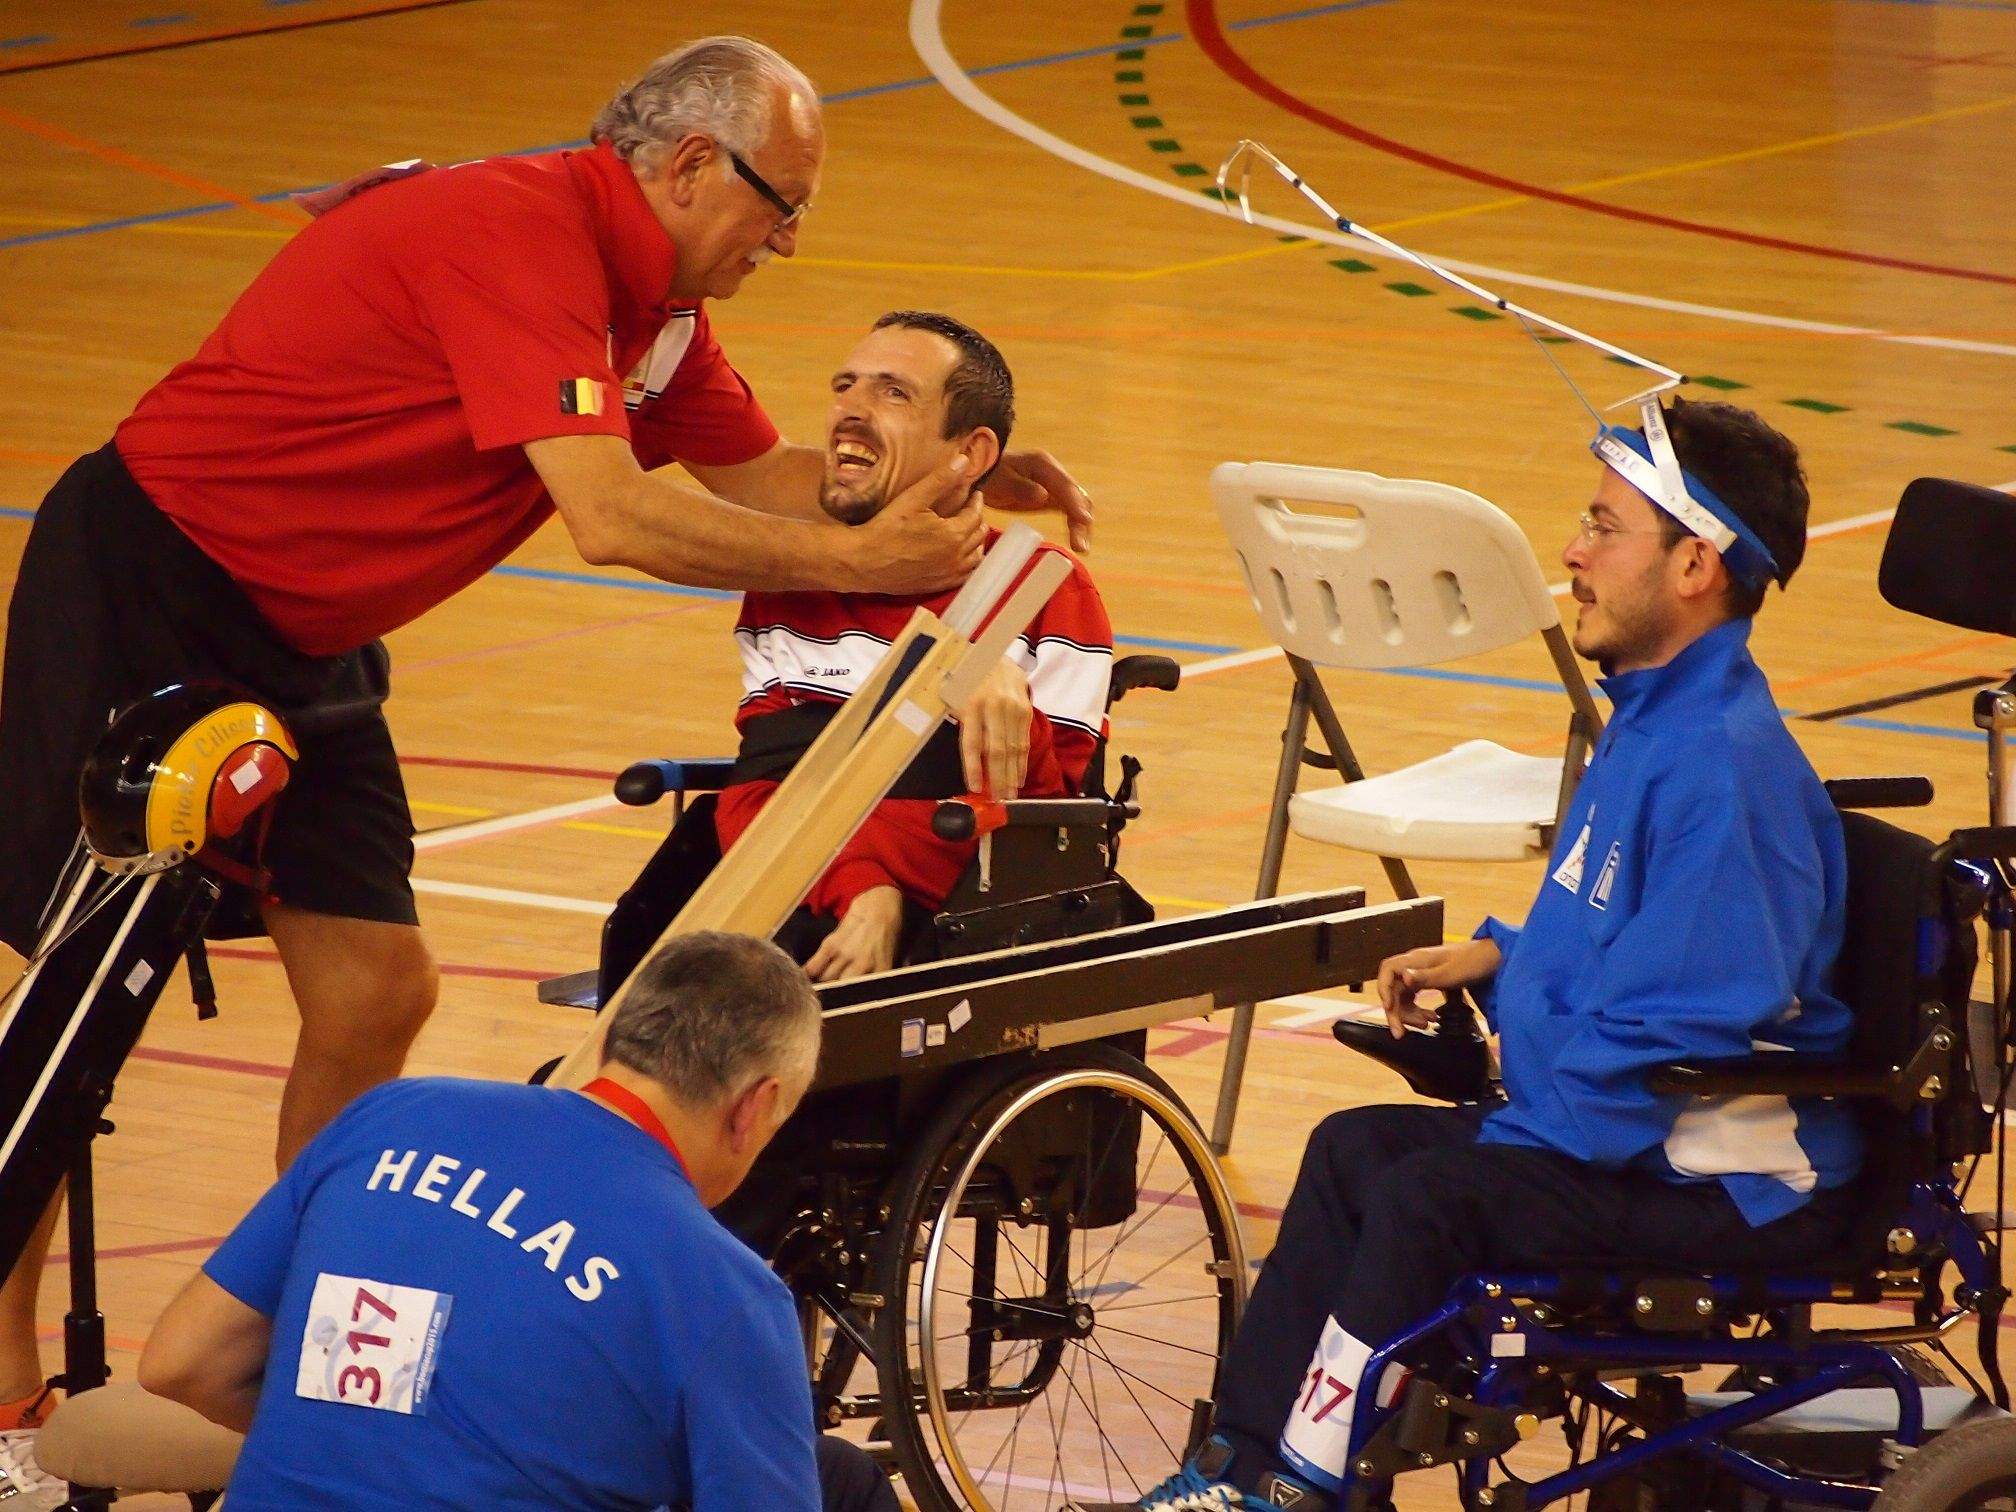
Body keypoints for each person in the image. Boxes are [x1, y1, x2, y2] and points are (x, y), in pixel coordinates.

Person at [0, 34, 1091, 1481]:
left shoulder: (661, 320)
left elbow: (773, 488)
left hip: (310, 635)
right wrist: (881, 546)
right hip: (156, 577)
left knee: (379, 986)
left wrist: (960, 518)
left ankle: (321, 1333)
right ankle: (4, 1399)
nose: (788, 238)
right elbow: (620, 521)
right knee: (73, 1002)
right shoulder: (520, 236)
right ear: (693, 167)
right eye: (783, 205)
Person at [1075, 399, 1863, 1512]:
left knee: (1433, 1196)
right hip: (1633, 1133)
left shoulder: (1724, 772)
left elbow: (1674, 1029)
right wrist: (1502, 963)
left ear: (1696, 564)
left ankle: (1309, 1483)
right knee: (1357, 1154)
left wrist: (1509, 1121)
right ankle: (1241, 1467)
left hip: (1717, 1179)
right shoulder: (1654, 722)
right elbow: (1629, 947)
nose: (1572, 552)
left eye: (1604, 527)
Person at [133, 930, 890, 1511]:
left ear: (616, 1037)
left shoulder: (395, 1114)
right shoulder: (724, 1290)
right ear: (756, 1105)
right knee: (843, 1483)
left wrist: (383, 1434)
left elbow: (180, 1363)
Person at [715, 310, 1113, 981]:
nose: (850, 410)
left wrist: (996, 695)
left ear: (974, 454)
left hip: (972, 936)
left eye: (893, 393)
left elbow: (1053, 841)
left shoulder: (1047, 588)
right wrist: (868, 892)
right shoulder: (791, 582)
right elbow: (756, 799)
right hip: (797, 905)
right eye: (845, 386)